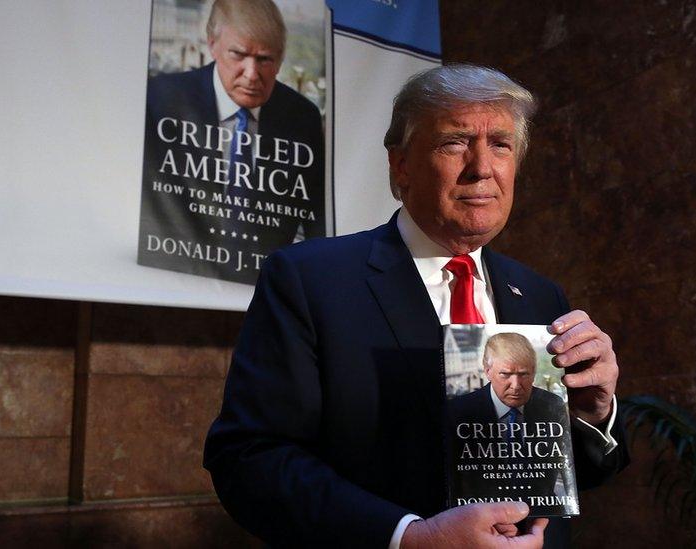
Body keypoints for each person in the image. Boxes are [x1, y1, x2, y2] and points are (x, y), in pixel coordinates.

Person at [204, 64, 628, 548]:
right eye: (455, 142)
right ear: (401, 164)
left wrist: (593, 414)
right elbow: (248, 459)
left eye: (501, 145)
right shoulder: (310, 280)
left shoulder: (540, 295)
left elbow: (571, 477)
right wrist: (411, 538)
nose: (482, 167)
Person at [139, 0, 325, 285]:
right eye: (238, 55)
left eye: (265, 59)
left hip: (264, 291)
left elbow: (317, 225)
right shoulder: (161, 101)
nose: (252, 75)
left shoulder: (303, 118)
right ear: (212, 44)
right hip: (171, 281)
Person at [447, 333, 575, 510]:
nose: (515, 385)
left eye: (523, 374)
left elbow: (566, 464)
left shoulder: (552, 405)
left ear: (534, 371)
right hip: (476, 516)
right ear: (487, 370)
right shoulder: (459, 410)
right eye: (505, 374)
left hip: (543, 515)